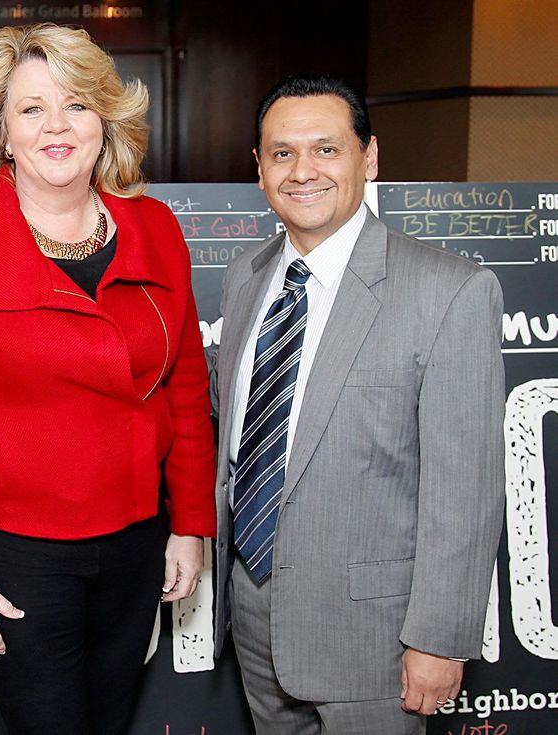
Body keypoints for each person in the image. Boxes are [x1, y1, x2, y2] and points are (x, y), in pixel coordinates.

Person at [0, 23, 216, 735]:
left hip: (135, 542)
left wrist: (190, 522)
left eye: (76, 104)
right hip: (16, 555)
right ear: (3, 131)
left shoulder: (155, 227)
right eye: (32, 108)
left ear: (106, 118)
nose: (56, 126)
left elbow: (187, 390)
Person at [211, 73, 505, 734]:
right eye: (282, 153)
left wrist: (438, 637)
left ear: (369, 159)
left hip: (377, 637)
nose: (302, 170)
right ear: (259, 170)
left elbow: (466, 490)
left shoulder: (449, 291)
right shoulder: (245, 277)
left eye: (327, 149)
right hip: (255, 619)